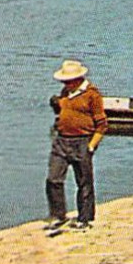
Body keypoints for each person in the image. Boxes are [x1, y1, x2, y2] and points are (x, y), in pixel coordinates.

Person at [45, 59, 107, 233]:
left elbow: (102, 124)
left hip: (83, 141)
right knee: (53, 179)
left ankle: (84, 219)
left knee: (84, 182)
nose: (66, 84)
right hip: (62, 141)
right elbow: (64, 112)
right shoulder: (65, 92)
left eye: (69, 81)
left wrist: (91, 146)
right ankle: (58, 215)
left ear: (79, 79)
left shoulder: (92, 95)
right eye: (64, 81)